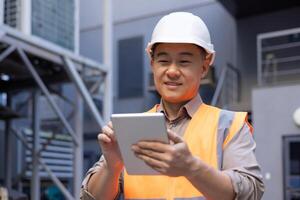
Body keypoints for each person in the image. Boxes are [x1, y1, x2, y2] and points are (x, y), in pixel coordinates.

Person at [80, 12, 265, 200]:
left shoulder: (229, 125)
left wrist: (191, 168)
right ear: (152, 64)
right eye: (164, 61)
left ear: (204, 66)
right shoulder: (130, 129)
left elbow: (250, 193)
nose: (172, 71)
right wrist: (111, 167)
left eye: (184, 61)